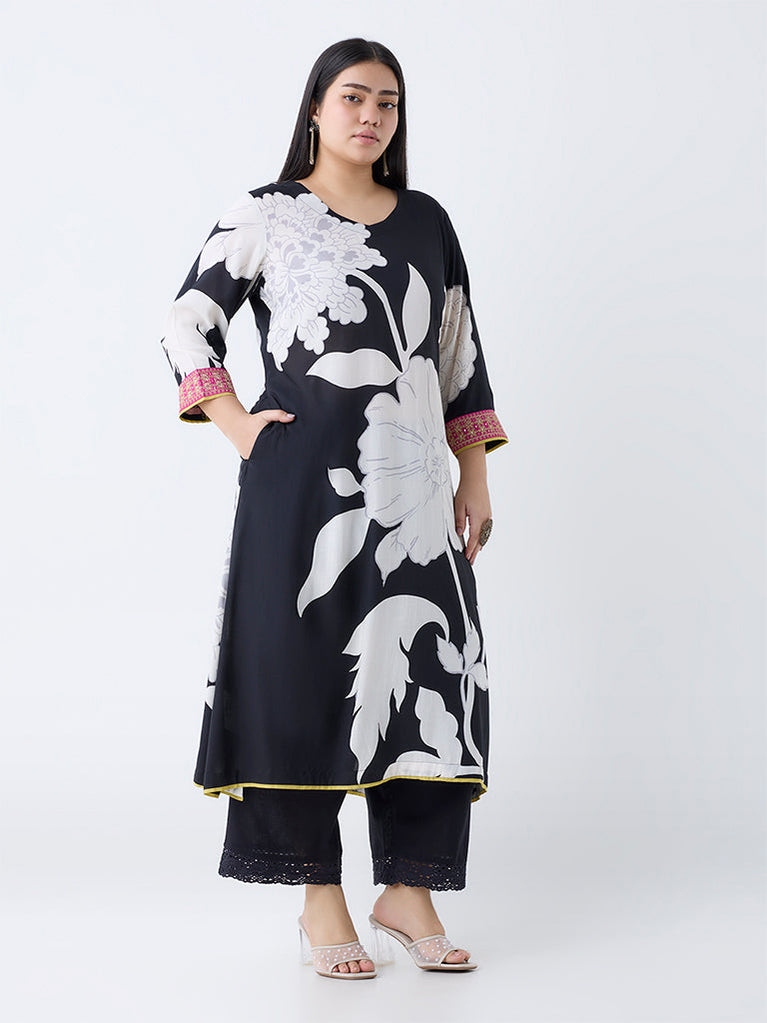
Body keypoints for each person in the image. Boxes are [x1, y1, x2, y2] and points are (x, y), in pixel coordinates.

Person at [158, 37, 508, 980]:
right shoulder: (265, 213)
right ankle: (320, 896)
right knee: (298, 676)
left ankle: (408, 889)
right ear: (315, 108)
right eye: (353, 97)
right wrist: (236, 424)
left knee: (431, 674)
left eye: (387, 102)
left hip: (416, 495)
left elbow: (456, 351)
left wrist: (474, 474)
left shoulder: (427, 221)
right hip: (300, 491)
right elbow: (187, 317)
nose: (371, 116)